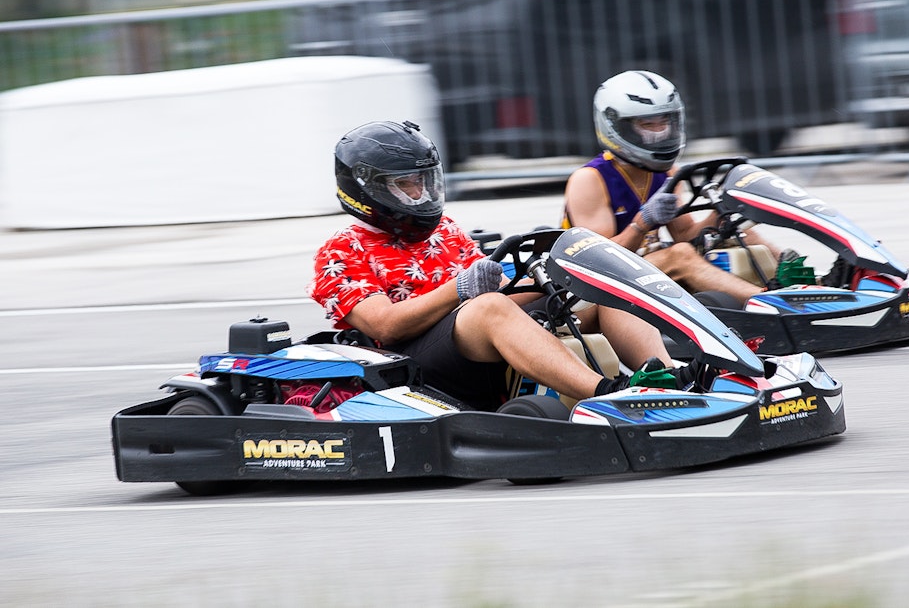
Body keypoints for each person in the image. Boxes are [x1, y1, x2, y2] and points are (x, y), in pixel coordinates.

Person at [309, 119, 681, 412]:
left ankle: (669, 377)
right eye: (404, 185)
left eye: (422, 182)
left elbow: (499, 295)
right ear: (365, 188)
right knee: (487, 307)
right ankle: (609, 393)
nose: (419, 194)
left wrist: (548, 275)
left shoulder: (445, 231)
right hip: (413, 365)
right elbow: (384, 326)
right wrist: (460, 290)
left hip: (470, 338)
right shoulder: (341, 251)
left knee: (592, 290)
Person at [561, 70, 784, 305]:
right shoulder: (590, 179)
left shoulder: (667, 173)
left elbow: (685, 236)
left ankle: (801, 281)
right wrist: (643, 223)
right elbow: (597, 260)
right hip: (591, 288)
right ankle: (768, 302)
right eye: (647, 125)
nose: (659, 133)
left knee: (737, 230)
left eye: (664, 123)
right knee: (680, 256)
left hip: (646, 271)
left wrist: (723, 211)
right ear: (615, 126)